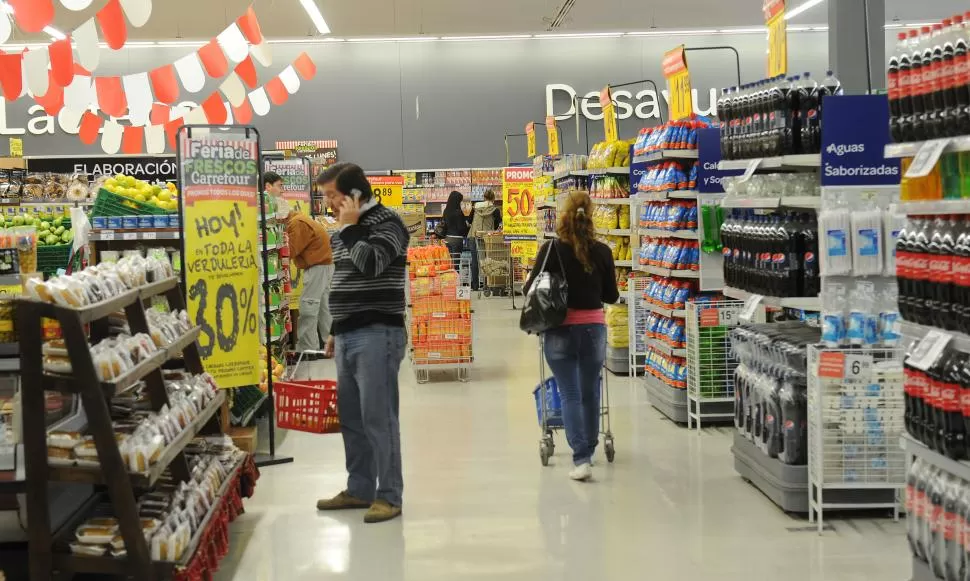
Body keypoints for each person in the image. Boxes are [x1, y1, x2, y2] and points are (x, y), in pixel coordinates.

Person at [314, 162, 409, 523]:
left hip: (378, 333)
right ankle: (360, 488)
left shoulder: (389, 223)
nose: (328, 204)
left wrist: (351, 230)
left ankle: (389, 495)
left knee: (378, 417)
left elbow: (371, 264)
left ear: (355, 195)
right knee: (352, 418)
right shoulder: (343, 229)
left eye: (332, 196)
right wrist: (336, 328)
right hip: (350, 333)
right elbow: (344, 280)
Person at [524, 191, 618, 482]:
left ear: (563, 216)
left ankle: (581, 459)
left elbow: (531, 286)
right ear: (591, 217)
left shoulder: (552, 250)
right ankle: (588, 447)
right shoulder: (602, 251)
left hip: (559, 329)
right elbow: (611, 296)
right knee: (590, 391)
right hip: (593, 329)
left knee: (570, 393)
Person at [274, 187, 334, 358]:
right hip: (323, 265)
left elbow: (290, 250)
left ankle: (309, 350)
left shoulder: (296, 224)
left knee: (308, 307)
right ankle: (330, 346)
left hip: (317, 267)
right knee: (324, 308)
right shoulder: (299, 220)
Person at [468, 190, 501, 290]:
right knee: (487, 261)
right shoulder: (495, 210)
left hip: (474, 235)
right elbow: (496, 225)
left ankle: (475, 286)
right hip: (487, 237)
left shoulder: (475, 207)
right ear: (493, 198)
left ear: (484, 197)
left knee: (475, 261)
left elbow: (469, 221)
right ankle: (487, 285)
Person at [440, 190, 469, 261]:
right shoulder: (458, 212)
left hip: (447, 239)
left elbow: (444, 224)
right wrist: (468, 227)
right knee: (456, 264)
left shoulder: (446, 211)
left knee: (449, 262)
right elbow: (461, 228)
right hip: (456, 239)